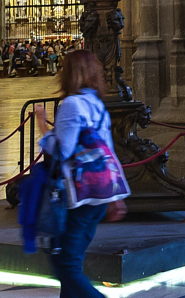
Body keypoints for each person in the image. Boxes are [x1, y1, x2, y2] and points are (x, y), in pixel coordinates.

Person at [35, 50, 117, 298]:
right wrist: (115, 196)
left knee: (66, 266)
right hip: (99, 194)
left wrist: (41, 122)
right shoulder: (97, 104)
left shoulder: (71, 104)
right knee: (73, 260)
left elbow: (62, 151)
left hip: (79, 195)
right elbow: (108, 151)